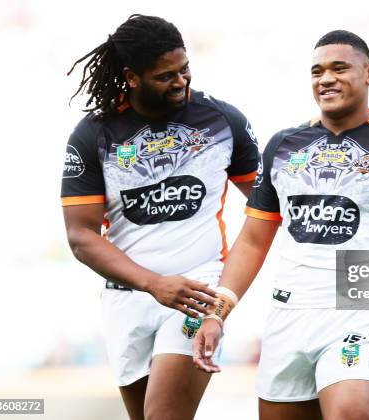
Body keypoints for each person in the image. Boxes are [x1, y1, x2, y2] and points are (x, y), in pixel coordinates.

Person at [193, 30, 369, 419]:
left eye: (339, 68)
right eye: (317, 71)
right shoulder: (283, 146)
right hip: (287, 318)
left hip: (357, 317)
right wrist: (217, 314)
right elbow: (251, 242)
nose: (325, 78)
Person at [61, 14, 259, 420]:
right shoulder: (94, 135)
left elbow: (268, 209)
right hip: (126, 299)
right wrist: (153, 284)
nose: (181, 81)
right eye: (166, 75)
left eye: (184, 68)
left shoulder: (222, 122)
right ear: (132, 78)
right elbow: (81, 236)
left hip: (196, 293)